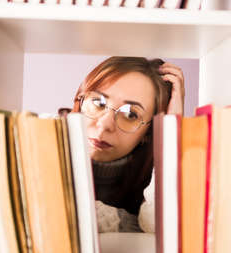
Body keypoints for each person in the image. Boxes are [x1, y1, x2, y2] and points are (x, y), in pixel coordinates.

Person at [71, 56, 185, 233]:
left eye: (131, 115)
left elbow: (159, 230)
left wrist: (172, 128)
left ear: (148, 132)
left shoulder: (156, 182)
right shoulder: (33, 147)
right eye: (98, 102)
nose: (105, 124)